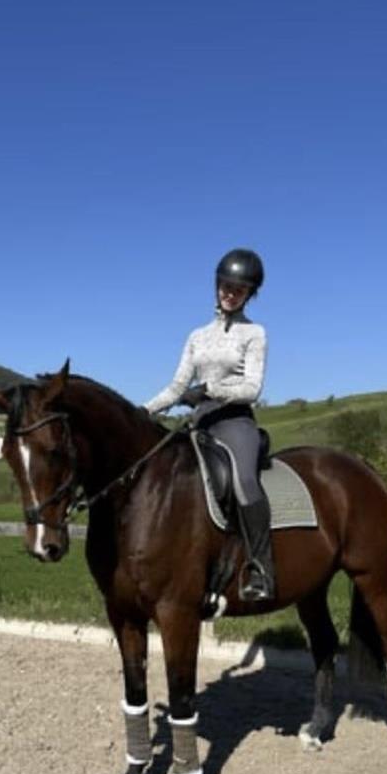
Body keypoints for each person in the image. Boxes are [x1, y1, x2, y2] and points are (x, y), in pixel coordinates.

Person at [143, 247, 274, 601]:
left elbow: (252, 387)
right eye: (226, 286)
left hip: (234, 422)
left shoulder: (254, 333)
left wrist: (212, 390)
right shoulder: (197, 336)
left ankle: (260, 568)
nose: (230, 293)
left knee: (244, 481)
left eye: (239, 289)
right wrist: (143, 410)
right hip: (200, 423)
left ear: (249, 294)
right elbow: (176, 387)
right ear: (217, 286)